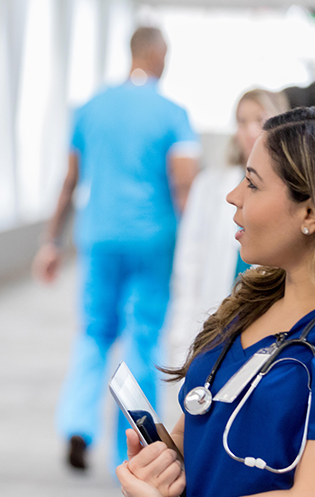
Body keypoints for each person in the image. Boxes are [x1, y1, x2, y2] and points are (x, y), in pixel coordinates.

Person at [117, 107, 315, 496]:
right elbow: (196, 425)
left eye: (252, 184)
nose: (232, 196)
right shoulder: (248, 305)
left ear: (308, 211)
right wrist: (162, 464)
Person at [32, 26, 200, 470]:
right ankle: (137, 440)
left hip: (99, 236)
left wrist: (51, 241)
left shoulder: (91, 109)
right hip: (153, 239)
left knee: (93, 332)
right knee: (144, 337)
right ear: (156, 54)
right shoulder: (172, 112)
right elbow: (184, 182)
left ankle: (76, 426)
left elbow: (70, 181)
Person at [163, 89, 288, 426]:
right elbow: (188, 266)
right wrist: (181, 339)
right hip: (216, 333)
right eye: (241, 121)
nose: (249, 131)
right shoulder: (211, 186)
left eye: (258, 120)